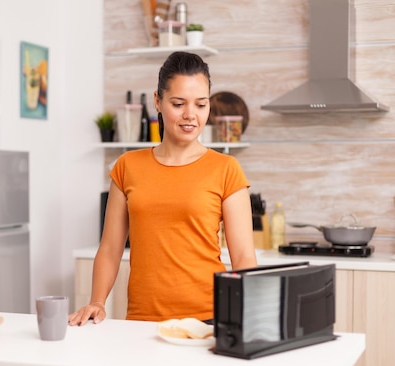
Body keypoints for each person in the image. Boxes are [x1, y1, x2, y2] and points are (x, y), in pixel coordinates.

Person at [68, 51, 257, 326]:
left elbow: (243, 256)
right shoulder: (127, 166)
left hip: (208, 320)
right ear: (158, 101)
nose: (190, 115)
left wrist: (252, 313)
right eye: (178, 103)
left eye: (201, 105)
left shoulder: (226, 169)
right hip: (141, 322)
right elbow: (110, 248)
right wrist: (97, 301)